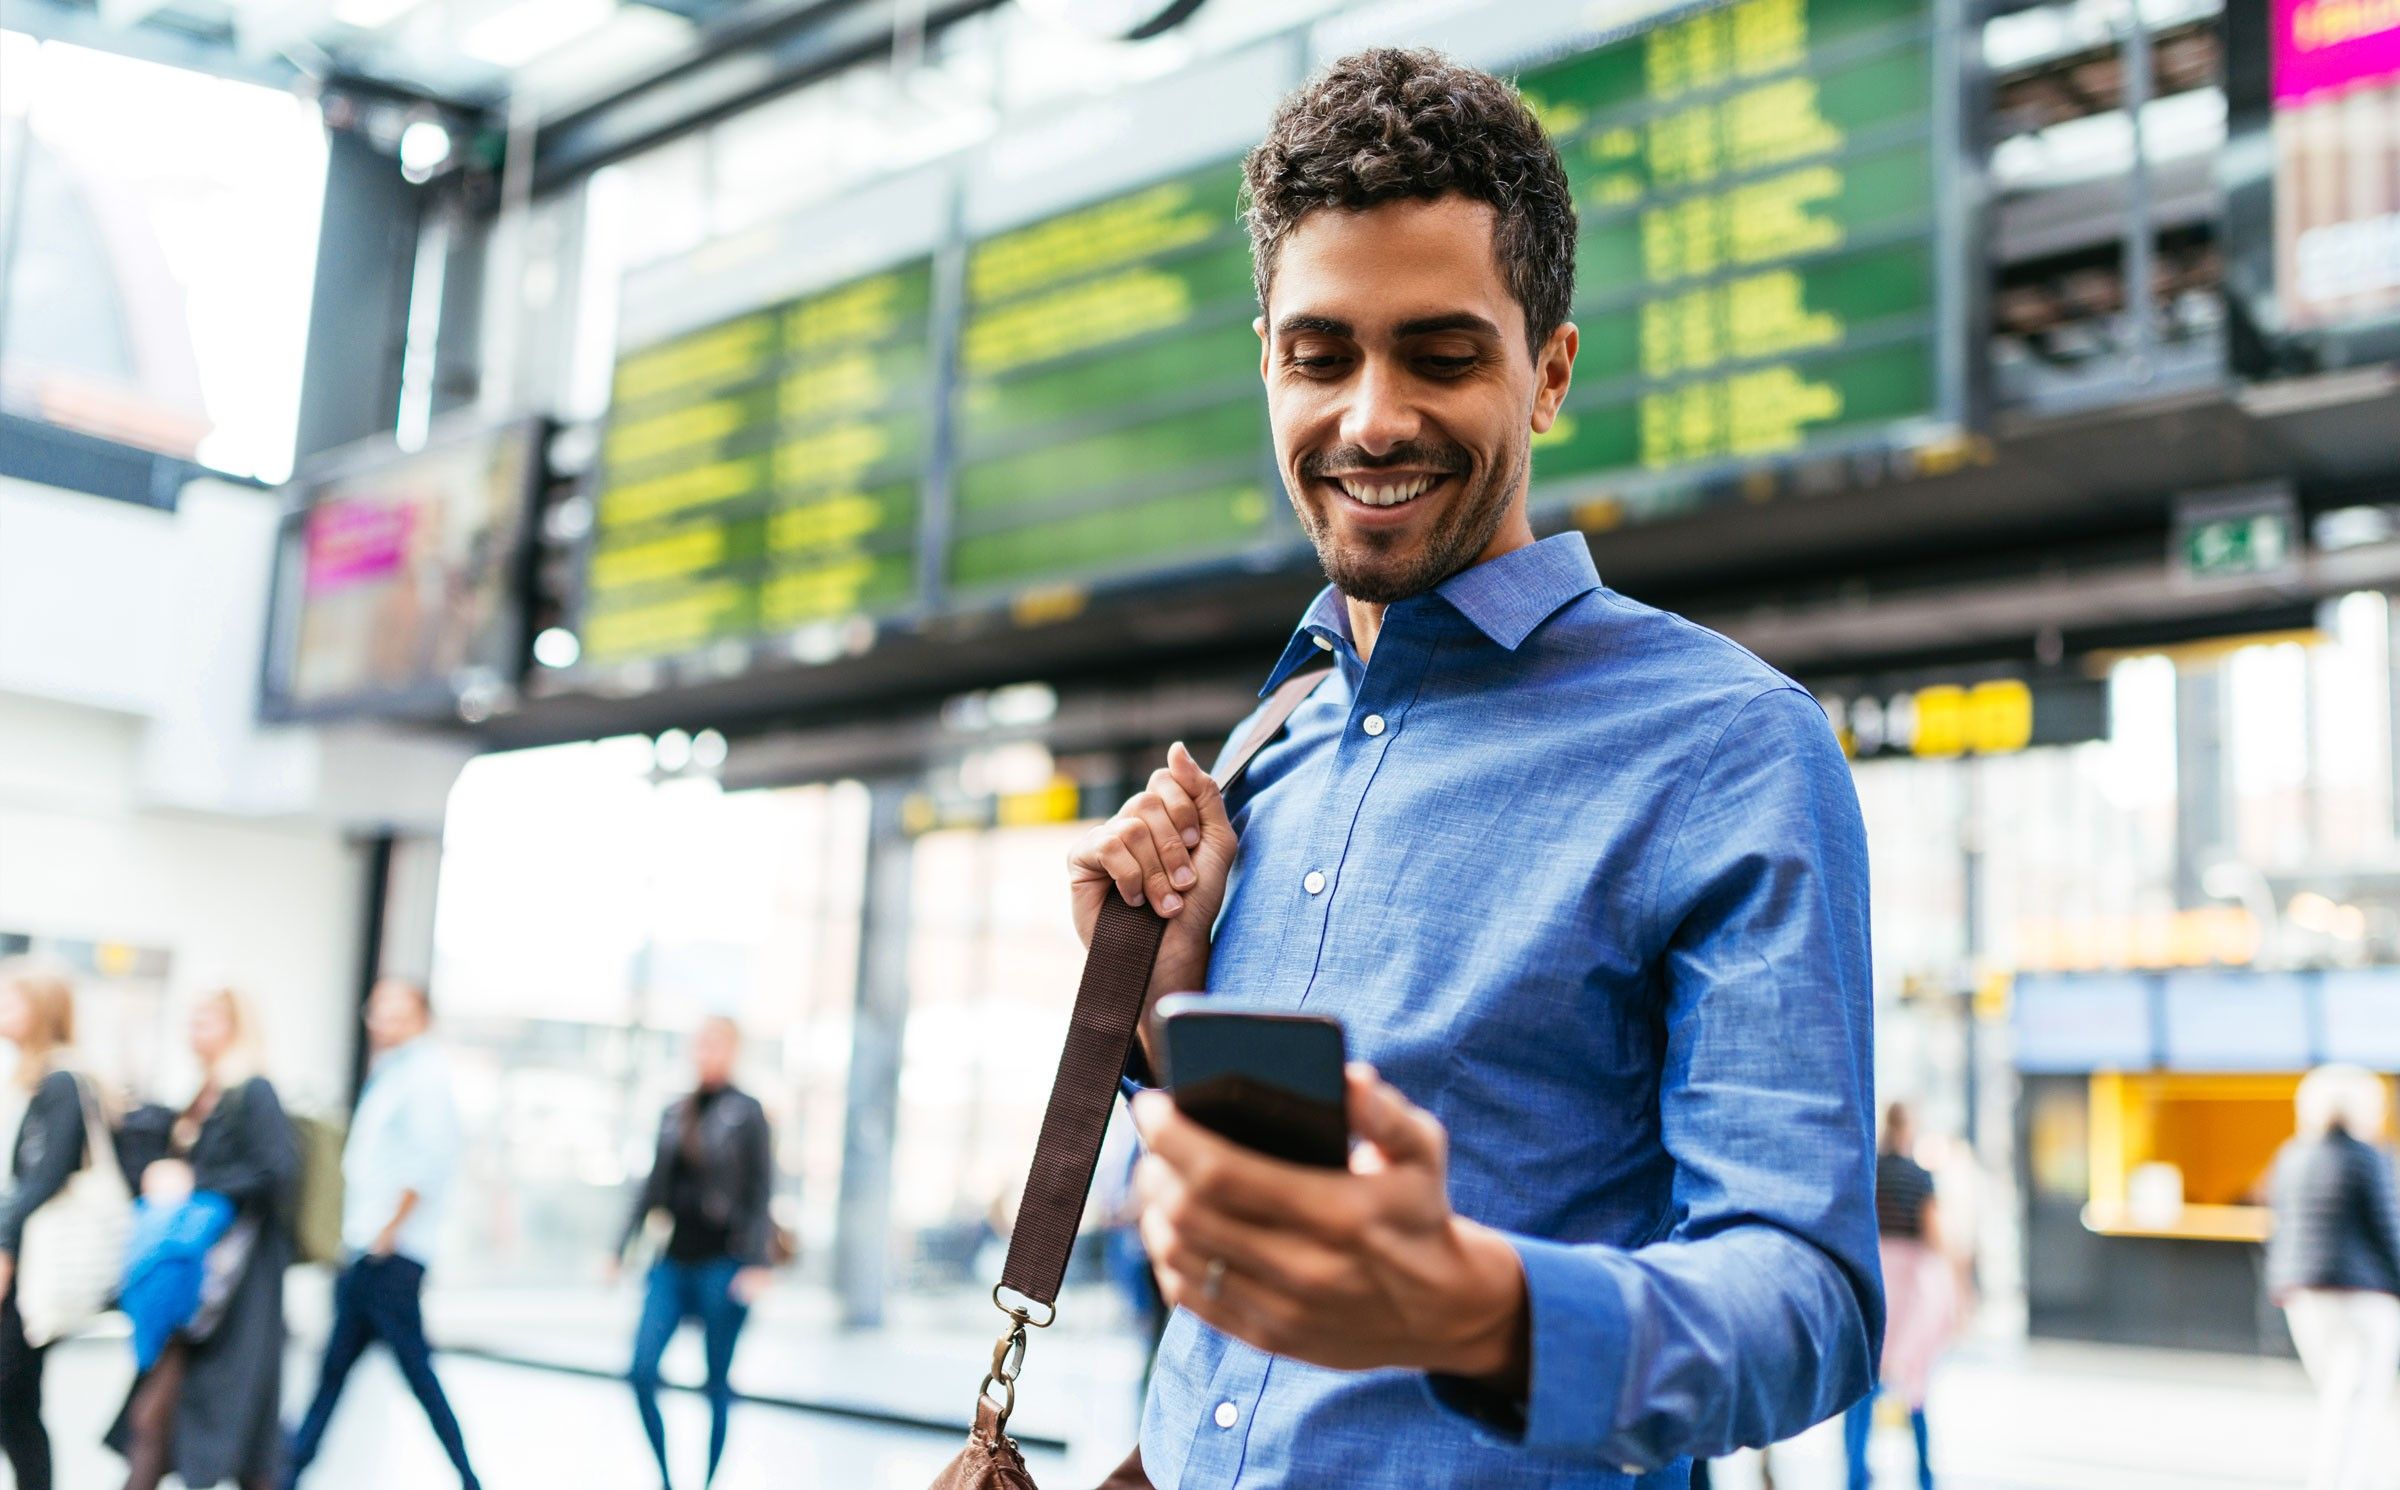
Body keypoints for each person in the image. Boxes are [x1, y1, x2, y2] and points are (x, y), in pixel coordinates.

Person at [1070, 47, 1881, 1486]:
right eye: (1320, 354)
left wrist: (1481, 1309)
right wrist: (1161, 1008)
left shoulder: (1727, 744)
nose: (1371, 417)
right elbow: (1245, 1255)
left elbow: (1809, 1299)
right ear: (1268, 358)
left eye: (1440, 354)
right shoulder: (1270, 753)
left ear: (1549, 371)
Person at [283, 980, 480, 1490]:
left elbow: (427, 1167)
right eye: (377, 1011)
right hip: (367, 1251)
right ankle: (291, 1472)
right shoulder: (393, 1072)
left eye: (394, 1013)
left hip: (389, 1257)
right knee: (333, 1372)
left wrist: (386, 1237)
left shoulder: (425, 1077)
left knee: (417, 1375)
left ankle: (470, 1478)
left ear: (420, 1017)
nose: (380, 1021)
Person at [108, 989, 301, 1490]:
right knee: (158, 1420)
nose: (195, 1032)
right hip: (194, 1280)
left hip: (236, 1287)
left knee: (235, 1429)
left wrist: (197, 1186)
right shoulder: (205, 1095)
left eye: (206, 1021)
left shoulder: (251, 1092)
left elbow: (277, 1172)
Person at [615, 1016, 776, 1490]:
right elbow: (650, 1189)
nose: (708, 1053)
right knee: (641, 1370)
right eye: (702, 1044)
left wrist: (758, 1264)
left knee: (716, 1383)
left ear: (734, 1051)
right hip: (672, 1261)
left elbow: (763, 1192)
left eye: (718, 1045)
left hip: (724, 1263)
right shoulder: (674, 1112)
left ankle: (706, 1482)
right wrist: (619, 1248)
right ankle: (666, 1478)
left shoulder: (748, 1112)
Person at [2267, 1064, 2400, 1490]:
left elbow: (2279, 1225)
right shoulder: (2369, 1157)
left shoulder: (2291, 1155)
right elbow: (2389, 1228)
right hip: (2364, 1299)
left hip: (2306, 1296)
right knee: (2358, 1402)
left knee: (2336, 1397)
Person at [0, 962, 91, 1490]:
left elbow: (44, 1177)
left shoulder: (61, 1081)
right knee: (15, 1405)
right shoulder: (28, 1078)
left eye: (13, 1002)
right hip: (23, 1256)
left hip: (35, 1264)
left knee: (15, 1400)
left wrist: (5, 1248)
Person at [1843, 1103, 1955, 1490]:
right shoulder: (1919, 1178)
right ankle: (1924, 1477)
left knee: (1863, 1388)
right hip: (1909, 1288)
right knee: (1916, 1385)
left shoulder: (1870, 1173)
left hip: (1875, 1280)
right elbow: (1934, 1234)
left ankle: (1854, 1476)